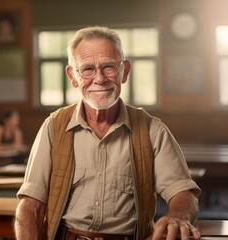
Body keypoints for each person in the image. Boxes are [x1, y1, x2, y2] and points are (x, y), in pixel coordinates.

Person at [14, 26, 201, 240]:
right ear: (72, 76)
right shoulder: (53, 127)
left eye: (109, 67)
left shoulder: (152, 130)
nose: (100, 78)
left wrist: (178, 216)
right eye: (87, 69)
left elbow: (183, 193)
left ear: (125, 71)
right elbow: (30, 207)